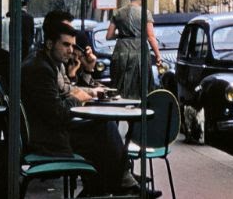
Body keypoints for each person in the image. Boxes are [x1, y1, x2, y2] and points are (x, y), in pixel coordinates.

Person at [21, 10, 154, 197]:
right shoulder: (40, 69)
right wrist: (80, 97)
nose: (70, 50)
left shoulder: (47, 63)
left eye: (72, 45)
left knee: (103, 132)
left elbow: (61, 100)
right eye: (65, 45)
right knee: (104, 131)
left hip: (49, 133)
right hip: (47, 141)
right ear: (50, 43)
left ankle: (112, 185)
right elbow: (57, 113)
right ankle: (122, 183)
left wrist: (85, 75)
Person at [106, 0, 162, 99]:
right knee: (139, 87)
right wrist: (158, 56)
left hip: (120, 51)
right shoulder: (145, 13)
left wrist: (122, 35)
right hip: (139, 51)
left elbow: (109, 35)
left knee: (119, 87)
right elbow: (151, 37)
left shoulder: (118, 13)